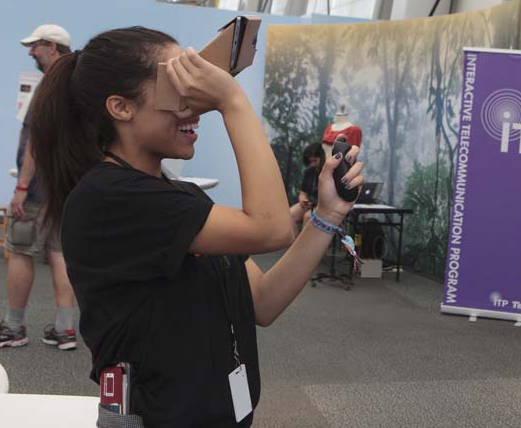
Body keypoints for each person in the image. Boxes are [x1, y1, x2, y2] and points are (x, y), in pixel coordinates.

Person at [28, 27, 364, 428]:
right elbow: (272, 228)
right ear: (121, 107)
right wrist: (231, 100)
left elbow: (263, 301)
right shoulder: (109, 196)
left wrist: (327, 215)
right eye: (178, 85)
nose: (196, 106)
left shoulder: (179, 196)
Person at [0, 24, 79, 351]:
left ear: (53, 47)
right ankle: (65, 329)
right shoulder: (79, 82)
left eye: (35, 46)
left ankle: (13, 327)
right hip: (66, 189)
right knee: (60, 253)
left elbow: (36, 140)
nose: (31, 52)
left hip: (38, 190)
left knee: (19, 250)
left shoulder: (50, 85)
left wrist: (22, 186)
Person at [289, 143, 325, 231]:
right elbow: (303, 193)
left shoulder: (328, 173)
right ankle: (294, 243)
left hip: (322, 206)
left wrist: (314, 205)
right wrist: (303, 200)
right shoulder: (309, 172)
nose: (312, 164)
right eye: (310, 161)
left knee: (308, 217)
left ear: (322, 158)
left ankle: (305, 244)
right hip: (309, 205)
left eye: (315, 161)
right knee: (290, 214)